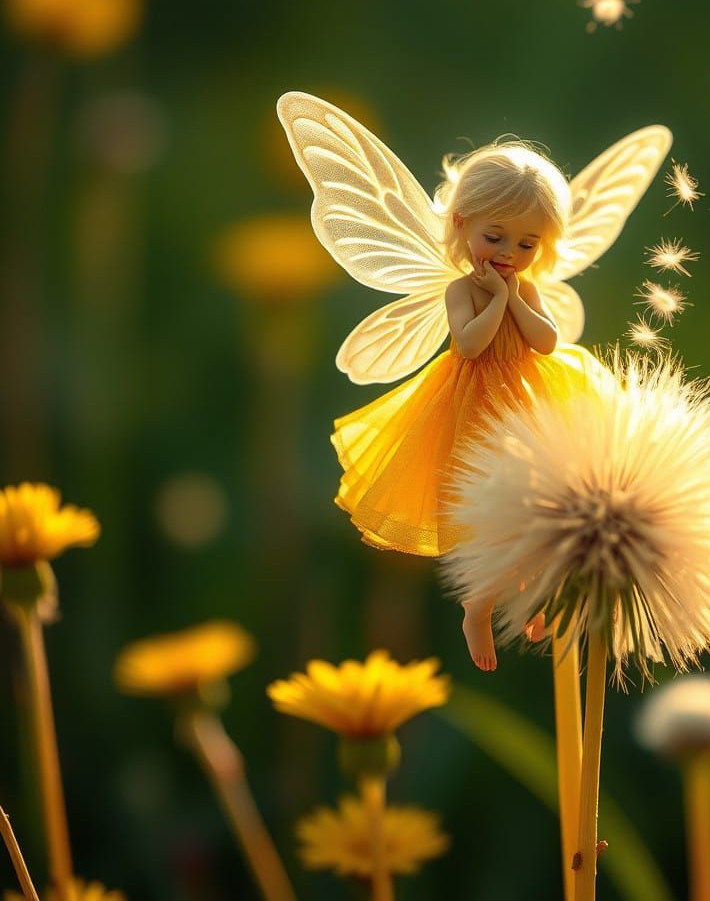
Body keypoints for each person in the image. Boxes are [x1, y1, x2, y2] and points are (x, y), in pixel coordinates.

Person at [277, 92, 670, 669]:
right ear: (462, 226)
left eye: (527, 244)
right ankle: (478, 609)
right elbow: (468, 342)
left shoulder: (523, 286)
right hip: (472, 403)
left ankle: (537, 597)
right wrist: (494, 301)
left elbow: (546, 340)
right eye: (496, 237)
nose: (510, 253)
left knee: (546, 503)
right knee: (488, 517)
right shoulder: (462, 289)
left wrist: (515, 298)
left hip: (533, 397)